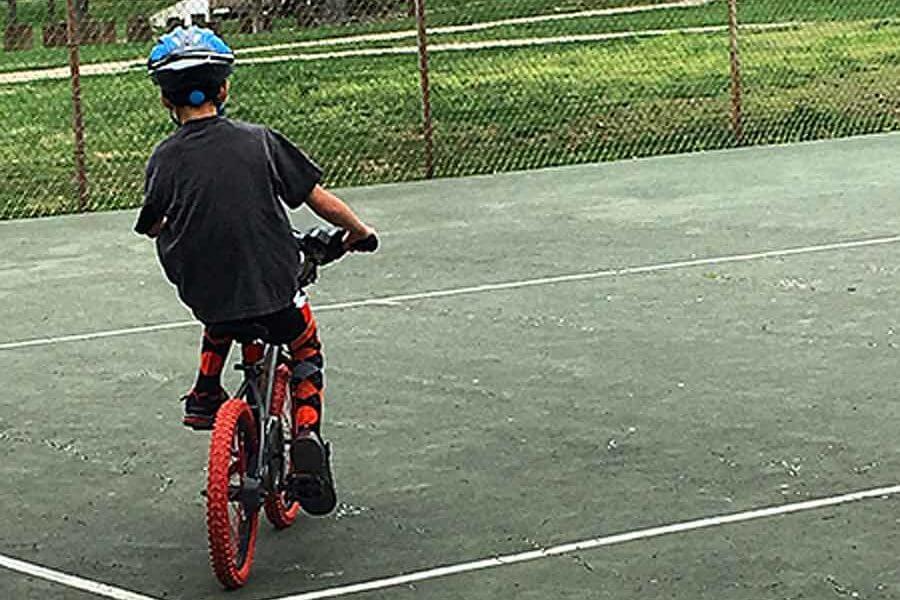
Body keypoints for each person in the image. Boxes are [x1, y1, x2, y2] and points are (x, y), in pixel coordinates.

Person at [134, 26, 376, 516]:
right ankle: (306, 436)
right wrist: (359, 231)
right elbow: (316, 200)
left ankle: (204, 393)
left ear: (165, 99)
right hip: (273, 286)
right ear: (224, 88)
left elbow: (152, 224)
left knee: (222, 306)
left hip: (205, 290)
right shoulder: (260, 141)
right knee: (304, 345)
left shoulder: (163, 158)